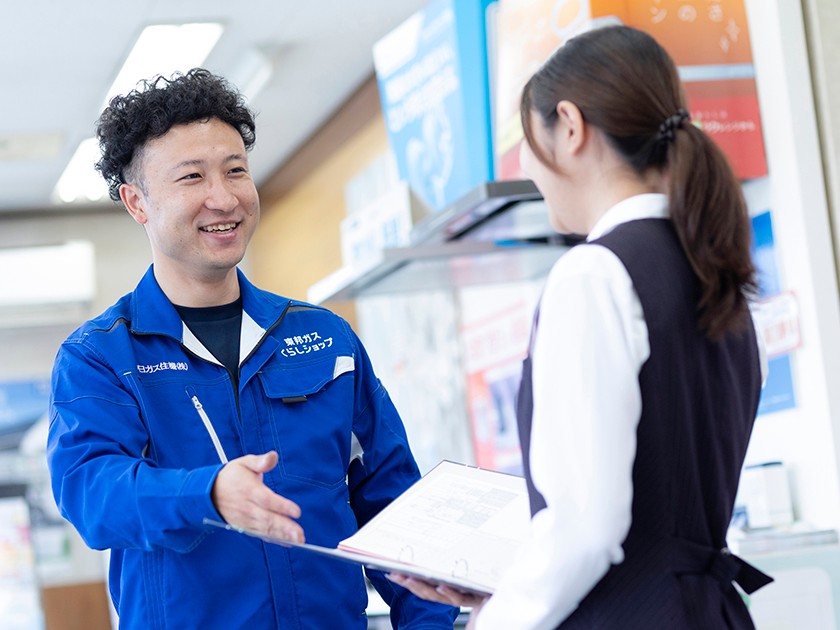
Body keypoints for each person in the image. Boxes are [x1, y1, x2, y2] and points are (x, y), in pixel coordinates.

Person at [389, 25, 772, 629]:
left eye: (526, 141)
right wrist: (511, 593)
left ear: (569, 125)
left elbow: (585, 529)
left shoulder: (595, 274)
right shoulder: (718, 271)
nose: (529, 171)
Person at [47, 68, 459, 630]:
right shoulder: (100, 357)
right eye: (192, 177)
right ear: (137, 203)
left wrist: (431, 624)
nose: (223, 197)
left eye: (235, 170)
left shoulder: (323, 340)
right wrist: (207, 493)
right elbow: (93, 496)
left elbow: (394, 504)